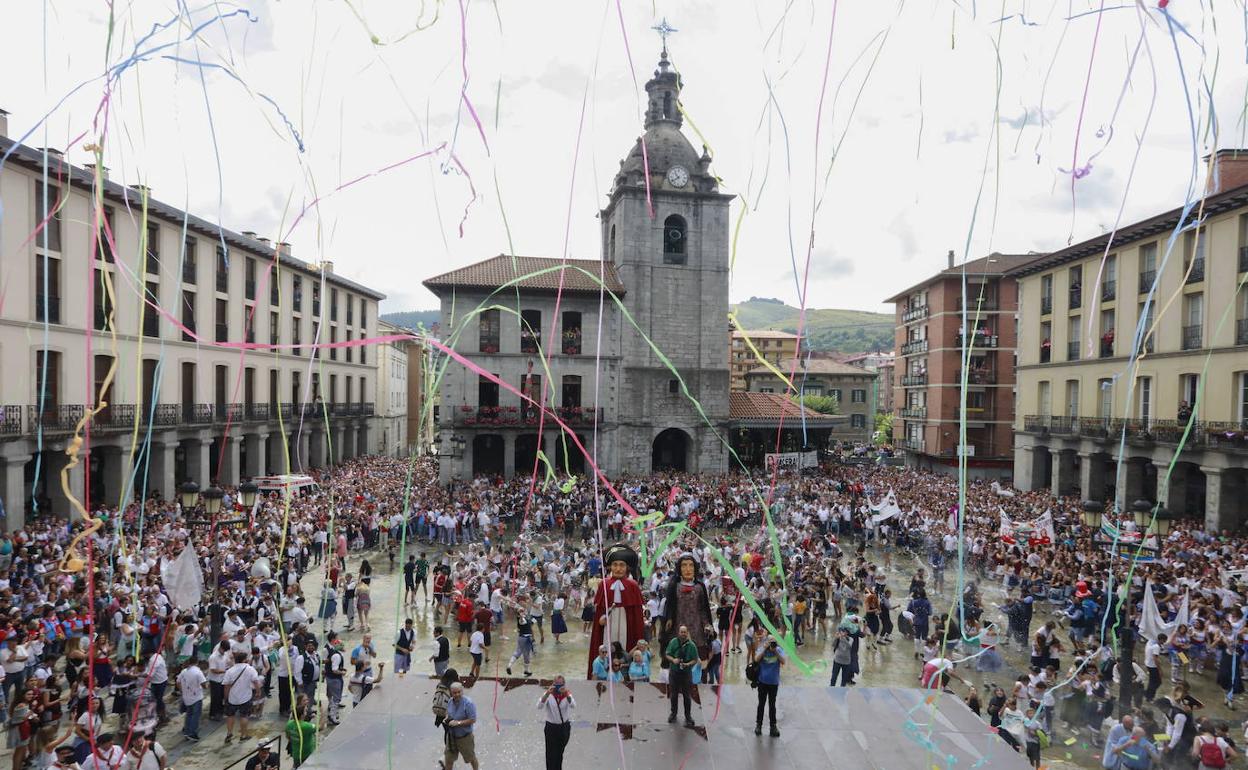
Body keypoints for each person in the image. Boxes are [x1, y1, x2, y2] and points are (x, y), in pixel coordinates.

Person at [588, 544, 645, 678]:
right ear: (610, 567)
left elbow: (637, 617)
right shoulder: (604, 584)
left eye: (622, 565)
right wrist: (601, 620)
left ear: (627, 567)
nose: (618, 568)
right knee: (607, 648)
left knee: (624, 650)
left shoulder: (633, 585)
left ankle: (625, 674)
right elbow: (599, 613)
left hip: (626, 625)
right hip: (608, 625)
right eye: (615, 564)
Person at [223, 651, 263, 744]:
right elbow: (256, 681)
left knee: (230, 716)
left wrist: (226, 698)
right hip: (245, 697)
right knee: (244, 716)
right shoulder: (250, 669)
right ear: (244, 660)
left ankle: (229, 733)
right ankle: (243, 735)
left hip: (232, 698)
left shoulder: (230, 671)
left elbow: (226, 686)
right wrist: (258, 691)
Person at [665, 625, 699, 728]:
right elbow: (667, 654)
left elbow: (695, 659)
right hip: (674, 672)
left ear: (687, 633)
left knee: (687, 696)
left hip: (686, 673)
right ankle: (673, 713)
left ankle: (688, 716)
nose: (683, 634)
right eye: (681, 632)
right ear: (678, 632)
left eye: (685, 632)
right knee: (674, 695)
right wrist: (673, 660)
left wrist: (688, 664)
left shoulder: (692, 645)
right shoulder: (673, 642)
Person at [539, 675, 574, 770]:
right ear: (553, 684)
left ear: (564, 684)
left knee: (559, 753)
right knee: (550, 754)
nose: (558, 686)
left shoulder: (567, 694)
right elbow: (539, 706)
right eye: (556, 684)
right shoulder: (549, 694)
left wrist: (566, 694)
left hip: (563, 727)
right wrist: (546, 694)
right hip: (551, 727)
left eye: (560, 684)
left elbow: (573, 705)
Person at [443, 682, 480, 770]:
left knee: (471, 758)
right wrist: (447, 718)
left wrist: (458, 723)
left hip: (464, 738)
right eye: (454, 693)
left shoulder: (468, 703)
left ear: (462, 691)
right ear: (451, 693)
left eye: (459, 692)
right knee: (448, 759)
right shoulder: (450, 701)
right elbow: (448, 713)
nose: (457, 694)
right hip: (451, 736)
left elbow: (473, 719)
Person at [754, 636, 784, 737]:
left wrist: (775, 651)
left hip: (773, 682)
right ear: (766, 641)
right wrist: (764, 649)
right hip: (762, 681)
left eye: (773, 642)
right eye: (770, 641)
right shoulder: (762, 648)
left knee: (772, 705)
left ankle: (773, 727)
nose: (772, 644)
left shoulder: (778, 650)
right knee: (761, 704)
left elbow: (783, 661)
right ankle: (758, 725)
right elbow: (756, 659)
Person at [176, 660, 207, 741]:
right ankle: (192, 733)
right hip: (196, 697)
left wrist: (182, 691)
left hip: (186, 697)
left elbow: (178, 682)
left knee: (189, 715)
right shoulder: (198, 672)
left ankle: (186, 732)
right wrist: (207, 686)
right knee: (195, 716)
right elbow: (204, 684)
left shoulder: (183, 672)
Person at [324, 632, 347, 725]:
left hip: (330, 677)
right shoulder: (336, 655)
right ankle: (333, 716)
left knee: (333, 695)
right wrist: (342, 672)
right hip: (334, 679)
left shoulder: (335, 652)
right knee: (336, 698)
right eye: (338, 640)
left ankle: (332, 710)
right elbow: (334, 670)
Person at [285, 704, 317, 768]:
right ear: (302, 715)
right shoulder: (306, 726)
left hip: (296, 753)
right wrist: (322, 712)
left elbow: (288, 737)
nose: (306, 712)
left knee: (297, 766)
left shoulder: (289, 724)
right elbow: (320, 727)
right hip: (307, 753)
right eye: (305, 711)